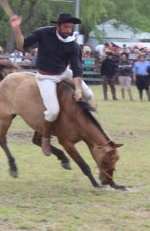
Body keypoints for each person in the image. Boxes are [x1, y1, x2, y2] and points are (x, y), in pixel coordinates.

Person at [10, 12, 93, 156]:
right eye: (66, 27)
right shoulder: (43, 33)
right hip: (46, 77)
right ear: (58, 26)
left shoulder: (72, 44)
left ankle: (83, 125)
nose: (68, 30)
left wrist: (79, 90)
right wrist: (16, 28)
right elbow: (22, 44)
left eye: (70, 27)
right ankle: (45, 138)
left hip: (63, 72)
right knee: (53, 111)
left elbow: (77, 69)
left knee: (89, 94)